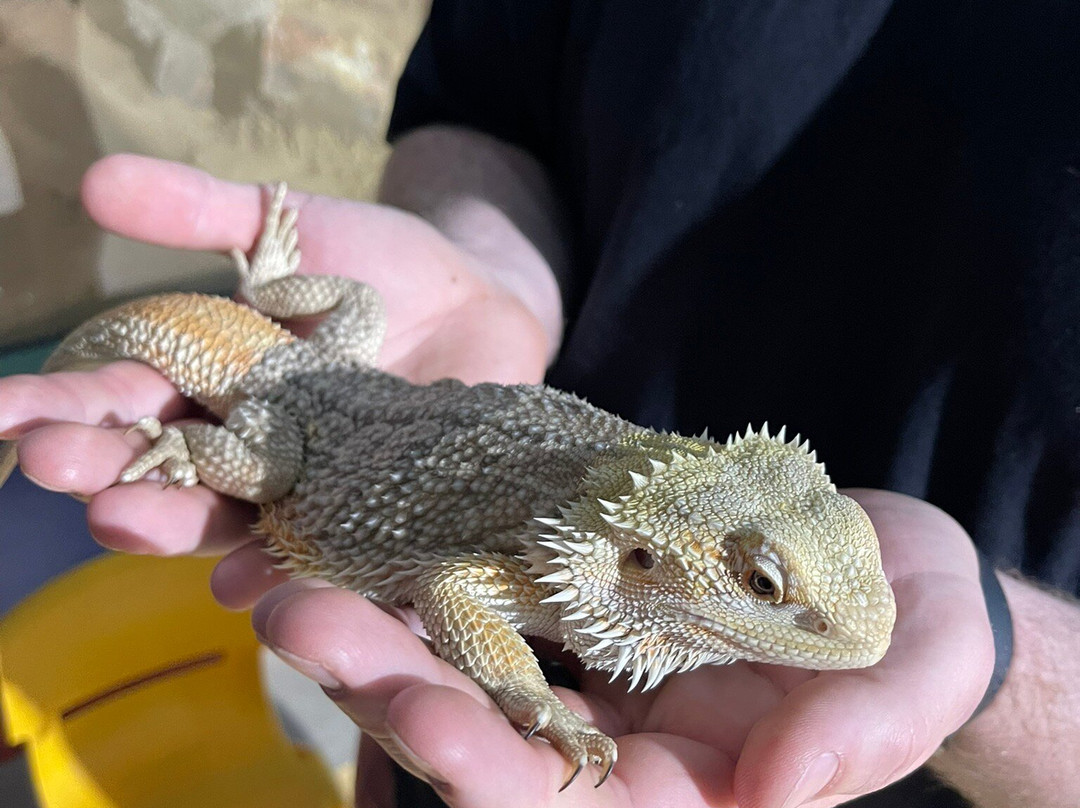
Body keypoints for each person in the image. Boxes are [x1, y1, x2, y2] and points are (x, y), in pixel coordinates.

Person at [4, 1, 1080, 806]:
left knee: (353, 319)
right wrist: (525, 697)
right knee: (255, 466)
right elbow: (457, 587)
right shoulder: (582, 566)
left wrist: (1002, 654)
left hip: (351, 373)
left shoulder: (654, 541)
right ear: (644, 559)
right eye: (762, 585)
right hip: (305, 431)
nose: (850, 621)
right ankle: (190, 447)